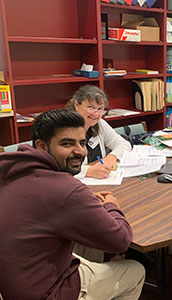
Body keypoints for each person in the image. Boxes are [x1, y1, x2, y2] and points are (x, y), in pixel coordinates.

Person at [0, 109, 145, 300]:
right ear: (42, 146)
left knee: (89, 246)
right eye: (67, 143)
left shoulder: (10, 170)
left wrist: (82, 201)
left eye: (82, 142)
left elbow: (43, 202)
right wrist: (111, 205)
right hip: (45, 292)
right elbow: (121, 240)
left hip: (13, 282)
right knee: (136, 271)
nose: (80, 151)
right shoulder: (65, 190)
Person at [66, 85, 131, 179]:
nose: (96, 114)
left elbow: (124, 144)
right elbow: (59, 167)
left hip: (101, 181)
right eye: (91, 107)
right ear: (77, 105)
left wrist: (112, 157)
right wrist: (89, 171)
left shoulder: (100, 124)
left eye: (100, 109)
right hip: (75, 184)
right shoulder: (64, 129)